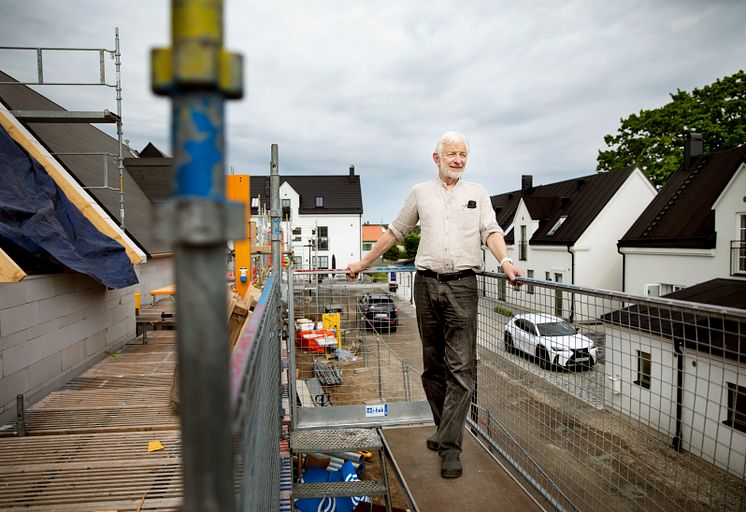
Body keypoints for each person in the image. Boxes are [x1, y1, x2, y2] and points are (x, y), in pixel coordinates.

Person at [347, 130, 523, 478]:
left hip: (463, 286)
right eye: (452, 154)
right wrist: (364, 263)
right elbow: (395, 232)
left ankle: (450, 447)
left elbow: (490, 231)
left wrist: (505, 262)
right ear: (436, 157)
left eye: (463, 155)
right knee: (432, 367)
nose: (458, 160)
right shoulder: (419, 193)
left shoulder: (478, 193)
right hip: (426, 285)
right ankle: (445, 433)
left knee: (461, 368)